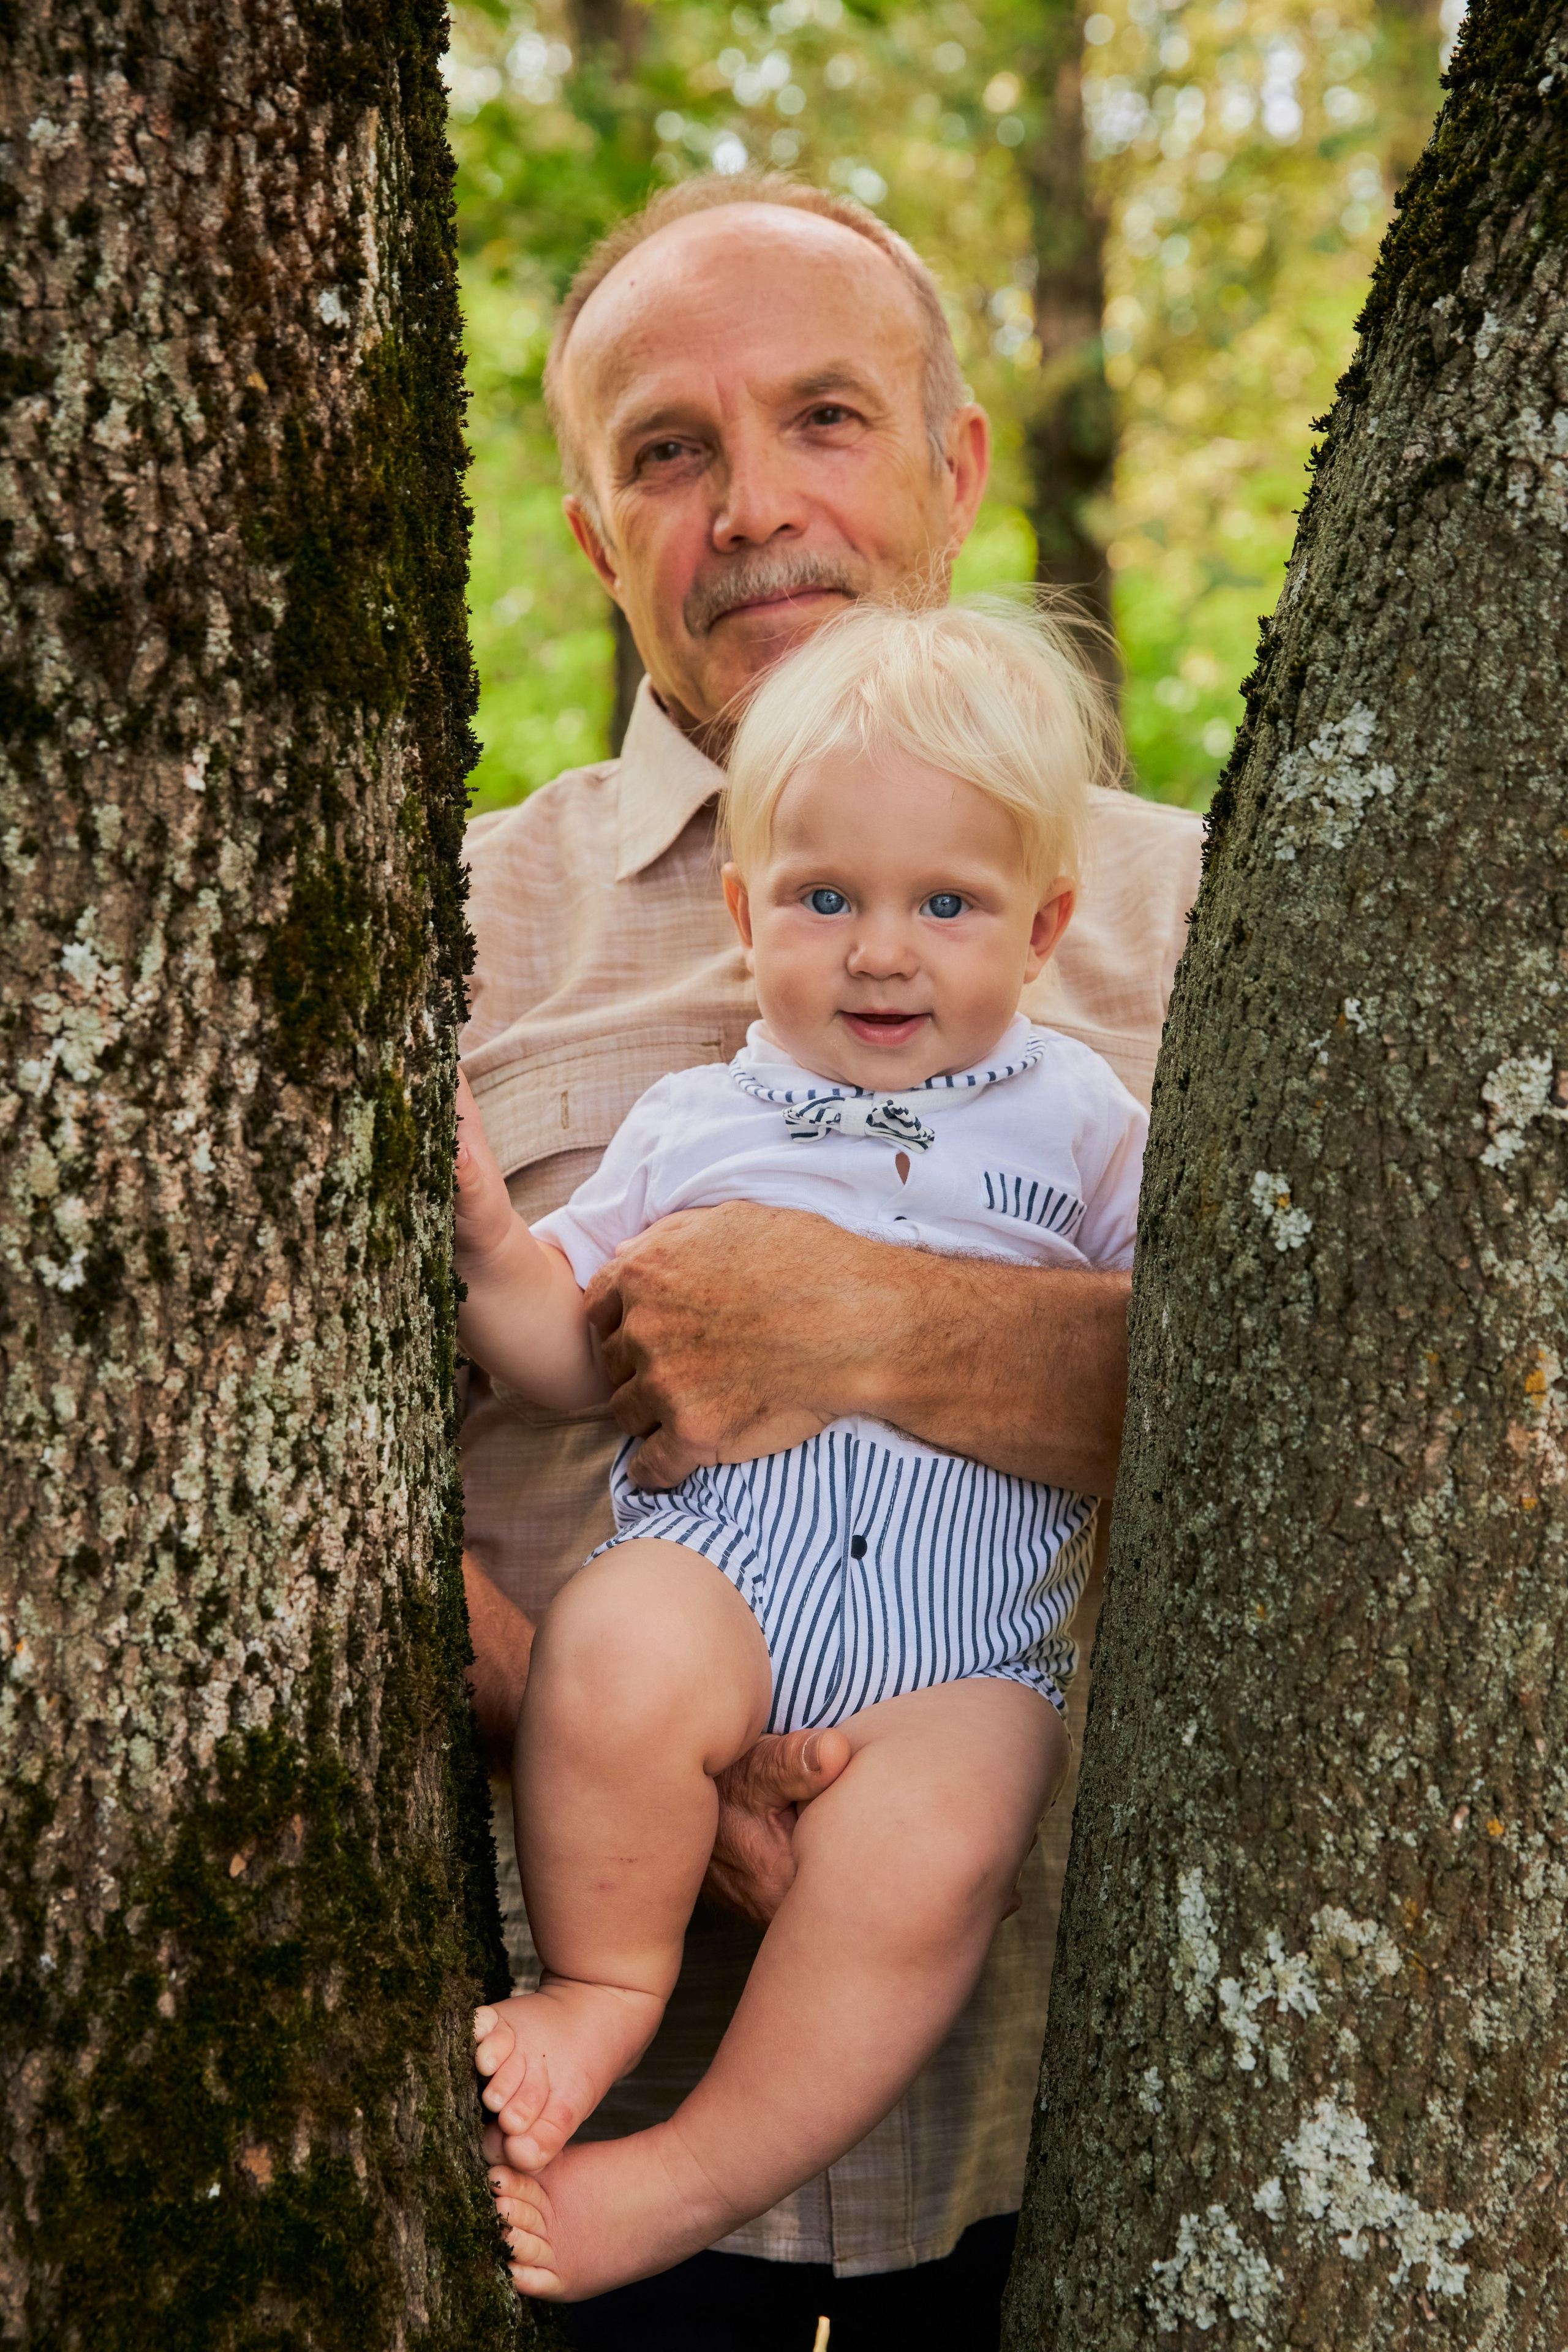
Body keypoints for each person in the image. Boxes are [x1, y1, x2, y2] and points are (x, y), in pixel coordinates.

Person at [459, 168, 1204, 2346]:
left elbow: (1374, 1417)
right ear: (598, 536)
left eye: (826, 418)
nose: (754, 502)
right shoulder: (454, 928)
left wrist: (872, 1330)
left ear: (959, 470)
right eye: (668, 453)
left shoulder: (1209, 918)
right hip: (553, 2132)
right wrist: (614, 1745)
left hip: (1077, 2131)